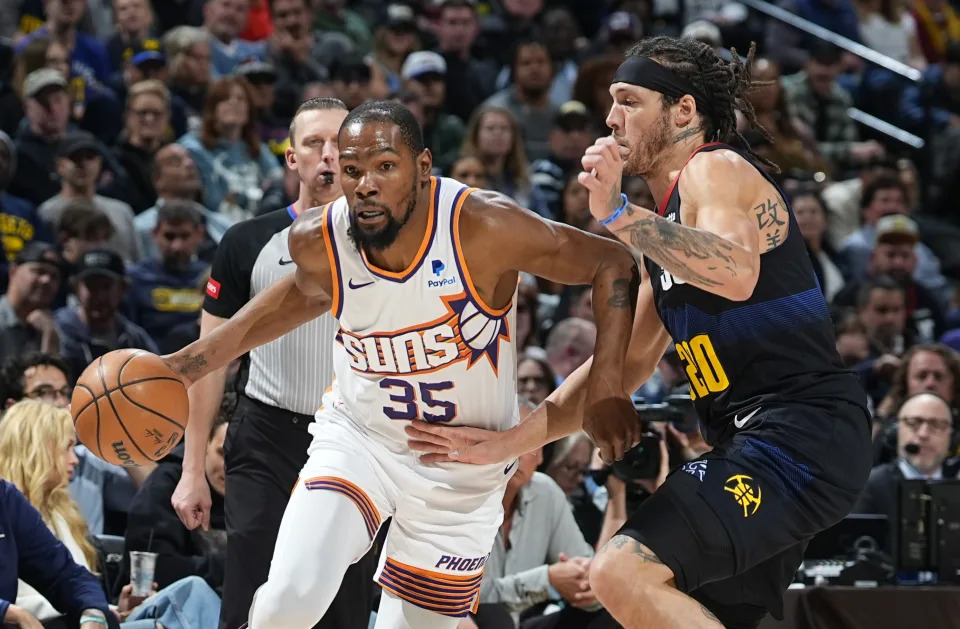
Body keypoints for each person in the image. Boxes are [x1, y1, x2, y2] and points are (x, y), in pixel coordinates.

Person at [406, 37, 873, 629]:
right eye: (611, 101)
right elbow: (620, 371)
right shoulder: (665, 246)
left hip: (800, 431)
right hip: (753, 440)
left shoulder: (716, 167)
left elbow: (735, 269)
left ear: (682, 111)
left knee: (620, 572)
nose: (611, 117)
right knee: (681, 609)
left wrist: (619, 216)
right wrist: (509, 443)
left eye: (629, 99)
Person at [163, 99, 638, 629]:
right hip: (360, 441)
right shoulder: (319, 238)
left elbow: (612, 262)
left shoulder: (483, 225)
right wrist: (184, 365)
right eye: (352, 170)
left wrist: (608, 386)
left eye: (385, 166)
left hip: (462, 464)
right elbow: (294, 300)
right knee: (286, 602)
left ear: (424, 168)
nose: (365, 183)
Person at [170, 97, 378, 629]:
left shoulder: (390, 245)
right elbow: (210, 361)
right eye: (315, 144)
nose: (329, 156)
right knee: (250, 598)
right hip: (264, 436)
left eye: (341, 145)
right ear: (292, 158)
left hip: (355, 438)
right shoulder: (245, 242)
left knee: (341, 605)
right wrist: (193, 469)